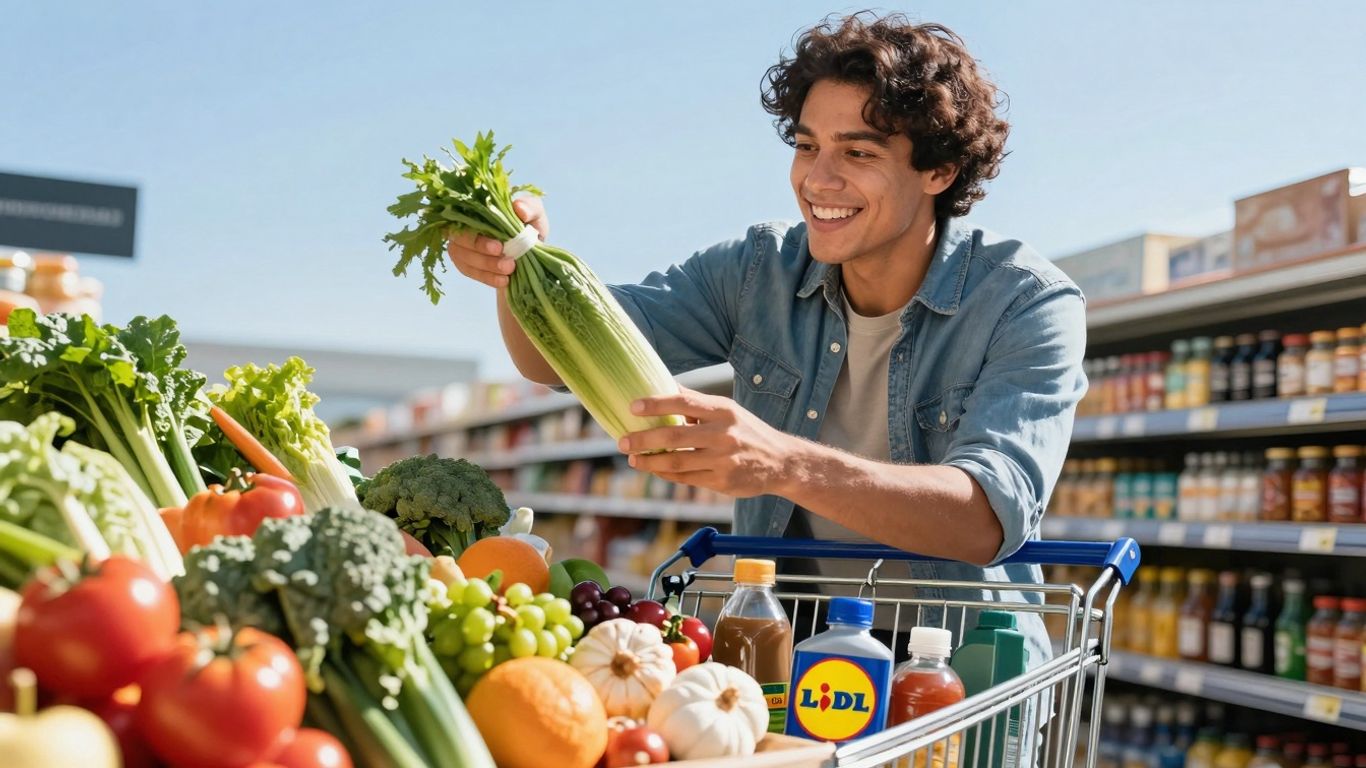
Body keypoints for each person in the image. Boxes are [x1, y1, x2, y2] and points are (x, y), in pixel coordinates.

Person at [448, 12, 1085, 673]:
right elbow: (556, 360)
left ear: (940, 171)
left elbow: (986, 519)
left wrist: (782, 463)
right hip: (789, 654)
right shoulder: (758, 271)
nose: (818, 180)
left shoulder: (1027, 303)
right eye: (808, 146)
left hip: (957, 664)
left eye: (858, 153)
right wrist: (515, 266)